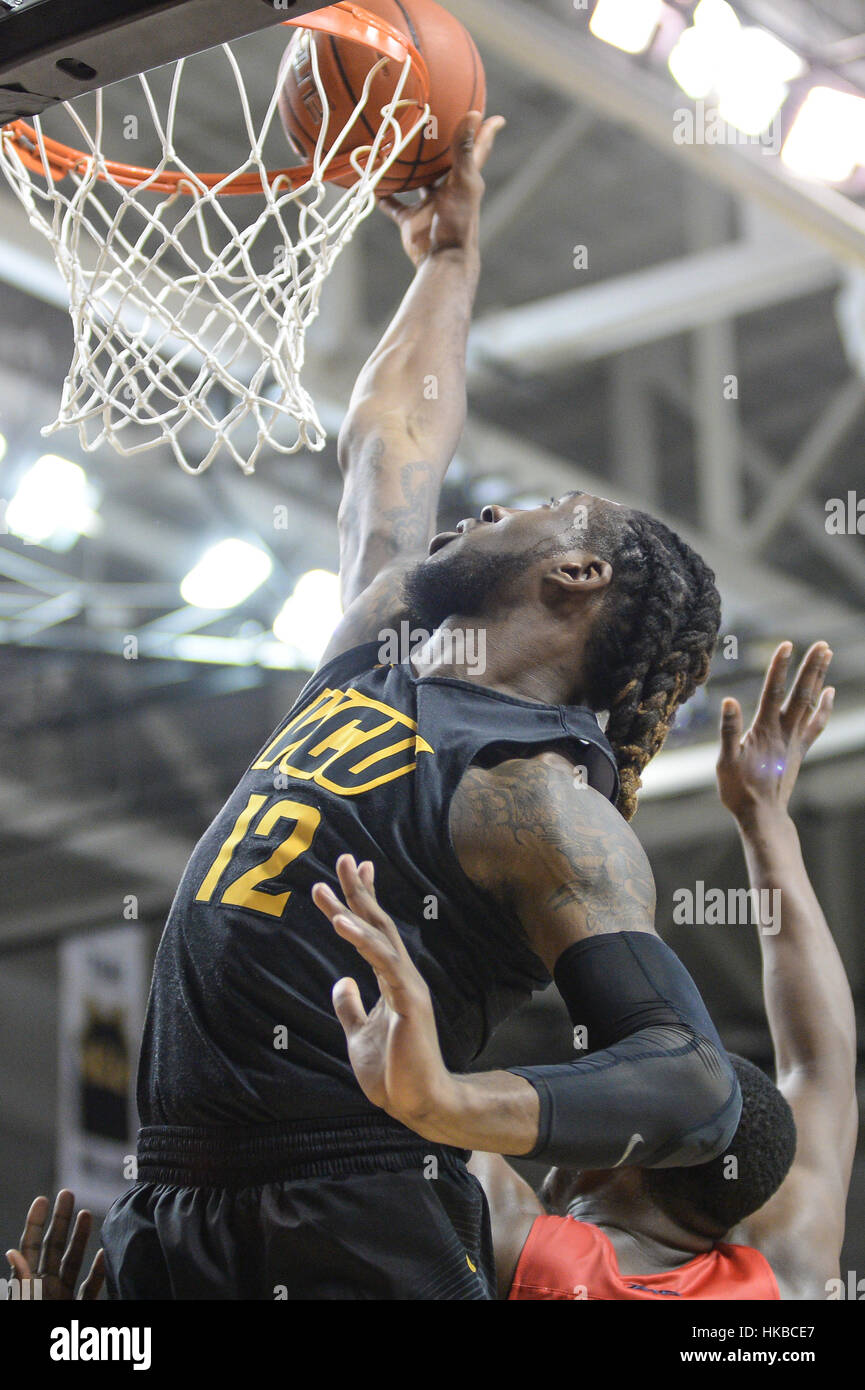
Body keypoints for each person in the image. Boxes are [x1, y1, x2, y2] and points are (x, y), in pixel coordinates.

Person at [100, 112, 739, 1301]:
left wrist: (457, 1104)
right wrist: (449, 258)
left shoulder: (536, 794)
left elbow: (691, 1079)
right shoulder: (383, 652)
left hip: (357, 1208)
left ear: (581, 576)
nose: (485, 509)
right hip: (172, 1198)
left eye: (532, 508)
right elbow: (388, 446)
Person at [321, 641, 856, 1300]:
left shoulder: (551, 1266)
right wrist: (763, 815)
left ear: (627, 1154)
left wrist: (763, 816)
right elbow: (820, 1062)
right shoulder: (784, 1276)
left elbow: (424, 1097)